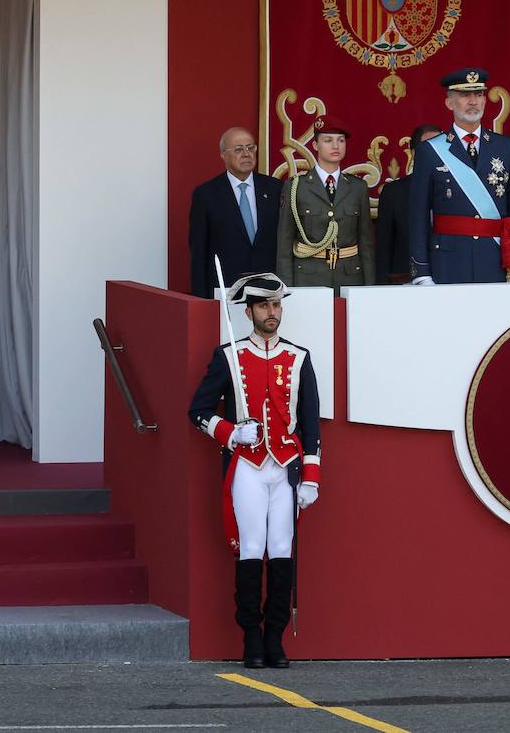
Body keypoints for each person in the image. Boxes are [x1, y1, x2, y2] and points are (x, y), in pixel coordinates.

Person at [187, 273, 321, 670]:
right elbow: (198, 411)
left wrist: (311, 477)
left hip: (285, 468)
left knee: (281, 549)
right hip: (246, 465)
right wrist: (230, 432)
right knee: (250, 549)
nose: (272, 312)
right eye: (264, 306)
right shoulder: (228, 355)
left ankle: (274, 638)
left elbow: (310, 423)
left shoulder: (298, 358)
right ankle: (250, 637)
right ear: (248, 312)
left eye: (277, 305)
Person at [408, 67, 510, 284]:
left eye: (479, 94)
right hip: (447, 261)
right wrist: (422, 273)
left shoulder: (505, 147)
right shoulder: (430, 151)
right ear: (449, 103)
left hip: (494, 258)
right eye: (465, 95)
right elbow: (418, 216)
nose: (473, 101)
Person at [275, 119, 374, 290]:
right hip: (308, 277)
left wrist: (369, 287)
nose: (335, 146)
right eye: (328, 140)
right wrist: (287, 290)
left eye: (341, 140)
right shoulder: (296, 186)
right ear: (315, 145)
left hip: (349, 277)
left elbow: (366, 243)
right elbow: (284, 244)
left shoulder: (358, 187)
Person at [189, 126, 280, 298]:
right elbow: (199, 254)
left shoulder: (275, 189)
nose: (246, 153)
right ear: (223, 155)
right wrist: (200, 300)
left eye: (250, 147)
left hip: (269, 289)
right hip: (225, 291)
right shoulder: (206, 194)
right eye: (238, 149)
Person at [375, 123, 442, 283]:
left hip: (449, 278)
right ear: (413, 153)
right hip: (405, 281)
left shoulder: (457, 190)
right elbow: (384, 248)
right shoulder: (394, 192)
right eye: (429, 147)